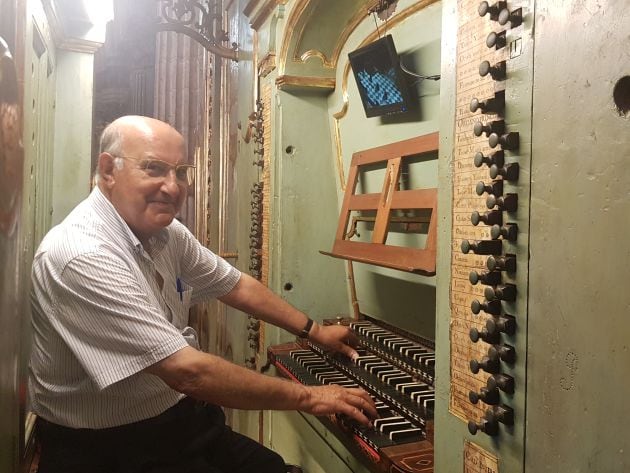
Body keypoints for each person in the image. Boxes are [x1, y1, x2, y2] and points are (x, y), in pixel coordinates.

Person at [29, 115, 377, 473]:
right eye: (154, 168)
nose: (173, 186)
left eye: (181, 172)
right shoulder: (81, 254)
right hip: (107, 449)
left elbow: (236, 285)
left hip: (179, 421)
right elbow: (188, 372)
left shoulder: (167, 233)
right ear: (108, 170)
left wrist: (316, 332)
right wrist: (311, 396)